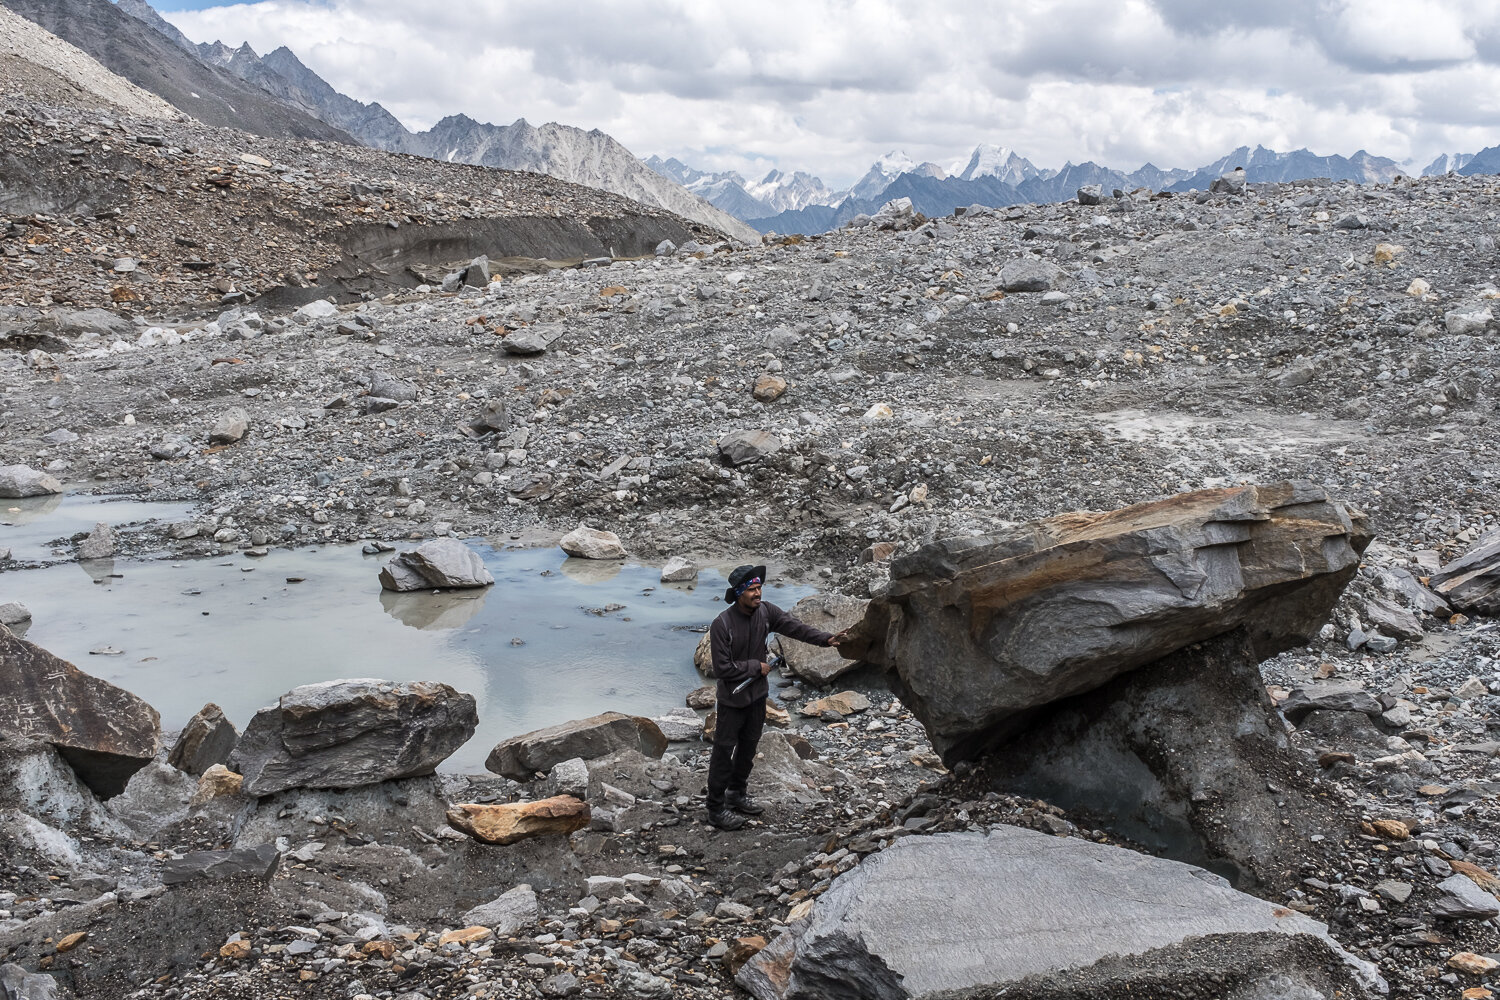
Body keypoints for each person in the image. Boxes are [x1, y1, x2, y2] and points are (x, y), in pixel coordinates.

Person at [706, 564, 846, 831]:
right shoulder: (721, 625)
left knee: (748, 749)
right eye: (751, 590)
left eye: (759, 588)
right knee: (723, 753)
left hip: (757, 697)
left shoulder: (767, 612)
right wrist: (755, 667)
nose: (758, 593)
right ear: (738, 594)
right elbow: (721, 668)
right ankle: (715, 808)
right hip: (732, 701)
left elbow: (796, 628)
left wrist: (826, 639)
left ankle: (736, 793)